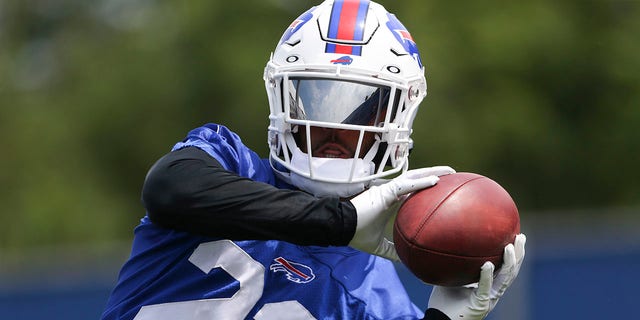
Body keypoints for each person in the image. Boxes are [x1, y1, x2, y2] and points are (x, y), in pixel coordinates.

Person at [101, 1, 526, 319]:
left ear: (399, 116)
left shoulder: (379, 299)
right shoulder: (229, 164)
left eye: (365, 107)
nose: (335, 130)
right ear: (282, 98)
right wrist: (339, 223)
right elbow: (169, 188)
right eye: (315, 101)